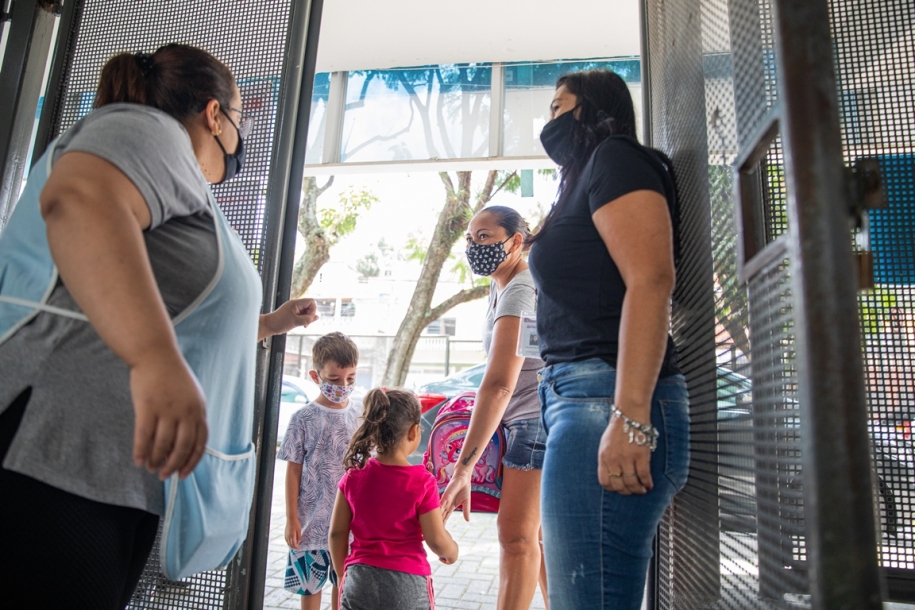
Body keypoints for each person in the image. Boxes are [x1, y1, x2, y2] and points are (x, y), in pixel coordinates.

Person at [0, 44, 318, 608]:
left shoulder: (178, 188)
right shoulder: (148, 130)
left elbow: (177, 316)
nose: (241, 141)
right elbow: (79, 198)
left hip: (103, 469)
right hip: (52, 455)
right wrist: (154, 359)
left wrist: (265, 324)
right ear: (213, 115)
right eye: (241, 119)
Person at [526, 69, 690, 609]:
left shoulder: (616, 157)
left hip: (604, 401)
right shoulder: (579, 180)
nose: (549, 120)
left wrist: (631, 418)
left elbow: (652, 278)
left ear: (591, 109)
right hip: (577, 399)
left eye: (558, 106)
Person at [439, 205, 549, 609]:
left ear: (516, 241)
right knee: (534, 538)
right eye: (470, 239)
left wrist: (463, 469)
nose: (473, 246)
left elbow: (500, 385)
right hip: (527, 418)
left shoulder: (521, 288)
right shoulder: (502, 283)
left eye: (484, 237)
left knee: (516, 538)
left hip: (533, 422)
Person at [329, 388, 459, 610]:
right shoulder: (422, 482)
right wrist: (452, 551)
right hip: (407, 584)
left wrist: (344, 576)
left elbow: (336, 533)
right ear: (413, 432)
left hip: (359, 579)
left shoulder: (354, 475)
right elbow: (436, 540)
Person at [278, 332, 362, 610]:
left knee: (344, 585)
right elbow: (293, 472)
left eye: (350, 378)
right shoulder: (303, 418)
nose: (343, 385)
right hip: (310, 523)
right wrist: (292, 519)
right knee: (310, 588)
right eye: (335, 380)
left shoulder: (360, 414)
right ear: (316, 377)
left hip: (349, 525)